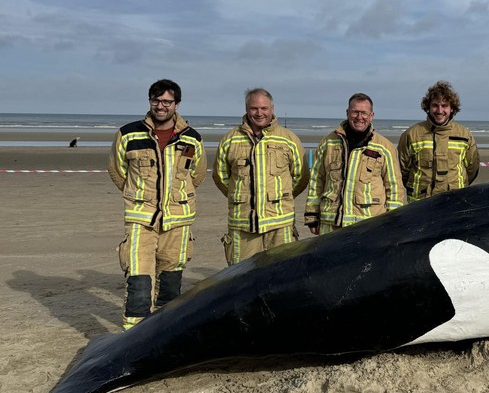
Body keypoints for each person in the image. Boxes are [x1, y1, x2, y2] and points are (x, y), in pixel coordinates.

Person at [108, 79, 206, 330]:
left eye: (166, 101)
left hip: (178, 221)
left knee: (171, 285)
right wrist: (140, 197)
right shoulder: (128, 134)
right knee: (139, 284)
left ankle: (165, 333)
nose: (160, 106)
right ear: (149, 101)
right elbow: (118, 173)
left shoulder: (192, 139)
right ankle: (133, 339)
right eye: (156, 100)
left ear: (176, 104)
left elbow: (197, 175)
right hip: (142, 221)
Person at [213, 88, 308, 265]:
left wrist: (281, 196)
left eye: (264, 108)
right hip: (242, 225)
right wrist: (242, 197)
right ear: (246, 109)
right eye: (254, 108)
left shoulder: (288, 139)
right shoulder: (230, 139)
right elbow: (221, 176)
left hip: (280, 224)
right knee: (242, 278)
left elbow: (301, 177)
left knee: (283, 275)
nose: (259, 113)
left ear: (272, 109)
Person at [304, 93, 404, 234]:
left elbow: (394, 189)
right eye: (355, 112)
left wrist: (392, 223)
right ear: (347, 113)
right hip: (331, 225)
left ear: (371, 115)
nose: (359, 117)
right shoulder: (328, 143)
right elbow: (316, 181)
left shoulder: (385, 148)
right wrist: (312, 215)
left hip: (368, 227)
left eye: (364, 113)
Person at [398, 80, 480, 201]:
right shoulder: (411, 135)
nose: (440, 110)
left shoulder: (465, 135)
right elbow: (401, 170)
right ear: (428, 107)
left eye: (445, 106)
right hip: (420, 203)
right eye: (435, 105)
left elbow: (472, 169)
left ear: (452, 108)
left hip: (454, 201)